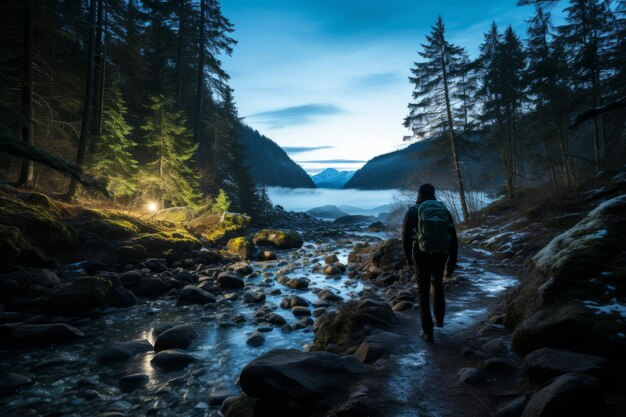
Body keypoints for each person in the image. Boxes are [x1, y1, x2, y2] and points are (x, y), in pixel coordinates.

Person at [402, 183, 458, 343]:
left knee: (423, 291)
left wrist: (408, 257)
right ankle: (439, 320)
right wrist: (452, 260)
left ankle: (427, 331)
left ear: (419, 194)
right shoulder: (444, 211)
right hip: (441, 253)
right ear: (434, 194)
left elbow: (405, 236)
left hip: (421, 254)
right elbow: (453, 237)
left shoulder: (413, 211)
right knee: (438, 284)